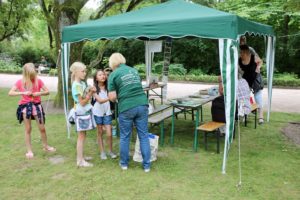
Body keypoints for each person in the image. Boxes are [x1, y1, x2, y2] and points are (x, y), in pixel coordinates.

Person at [107, 53, 151, 172]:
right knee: (143, 135)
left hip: (126, 107)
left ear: (112, 63)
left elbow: (112, 97)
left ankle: (124, 164)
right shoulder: (134, 71)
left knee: (125, 136)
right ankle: (147, 166)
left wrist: (116, 97)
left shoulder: (113, 75)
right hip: (142, 104)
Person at [8, 63, 56, 159]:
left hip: (37, 107)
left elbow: (47, 92)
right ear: (26, 73)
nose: (32, 76)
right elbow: (10, 92)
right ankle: (29, 151)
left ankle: (46, 146)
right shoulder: (20, 82)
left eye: (33, 74)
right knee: (28, 129)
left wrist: (39, 93)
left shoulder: (39, 81)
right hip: (26, 107)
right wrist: (23, 92)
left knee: (42, 128)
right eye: (30, 75)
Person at [70, 61, 96, 167]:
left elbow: (85, 96)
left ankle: (81, 157)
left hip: (84, 112)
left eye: (85, 71)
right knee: (81, 136)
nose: (85, 73)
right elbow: (82, 102)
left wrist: (89, 89)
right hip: (81, 112)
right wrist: (91, 93)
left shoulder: (82, 83)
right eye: (83, 71)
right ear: (76, 72)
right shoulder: (76, 85)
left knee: (83, 135)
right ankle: (80, 161)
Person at [92, 69, 117, 160]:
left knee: (109, 134)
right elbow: (100, 101)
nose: (103, 76)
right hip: (97, 113)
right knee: (100, 133)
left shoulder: (109, 87)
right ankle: (102, 152)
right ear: (96, 78)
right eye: (100, 75)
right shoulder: (94, 88)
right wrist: (110, 97)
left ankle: (110, 151)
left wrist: (113, 98)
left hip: (107, 113)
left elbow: (113, 99)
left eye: (103, 74)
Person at [239, 44, 264, 124]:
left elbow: (260, 61)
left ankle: (261, 117)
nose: (241, 54)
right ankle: (243, 115)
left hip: (256, 79)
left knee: (258, 97)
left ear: (246, 52)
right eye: (240, 53)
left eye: (242, 53)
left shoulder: (253, 57)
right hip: (246, 81)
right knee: (244, 98)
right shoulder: (239, 60)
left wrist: (258, 67)